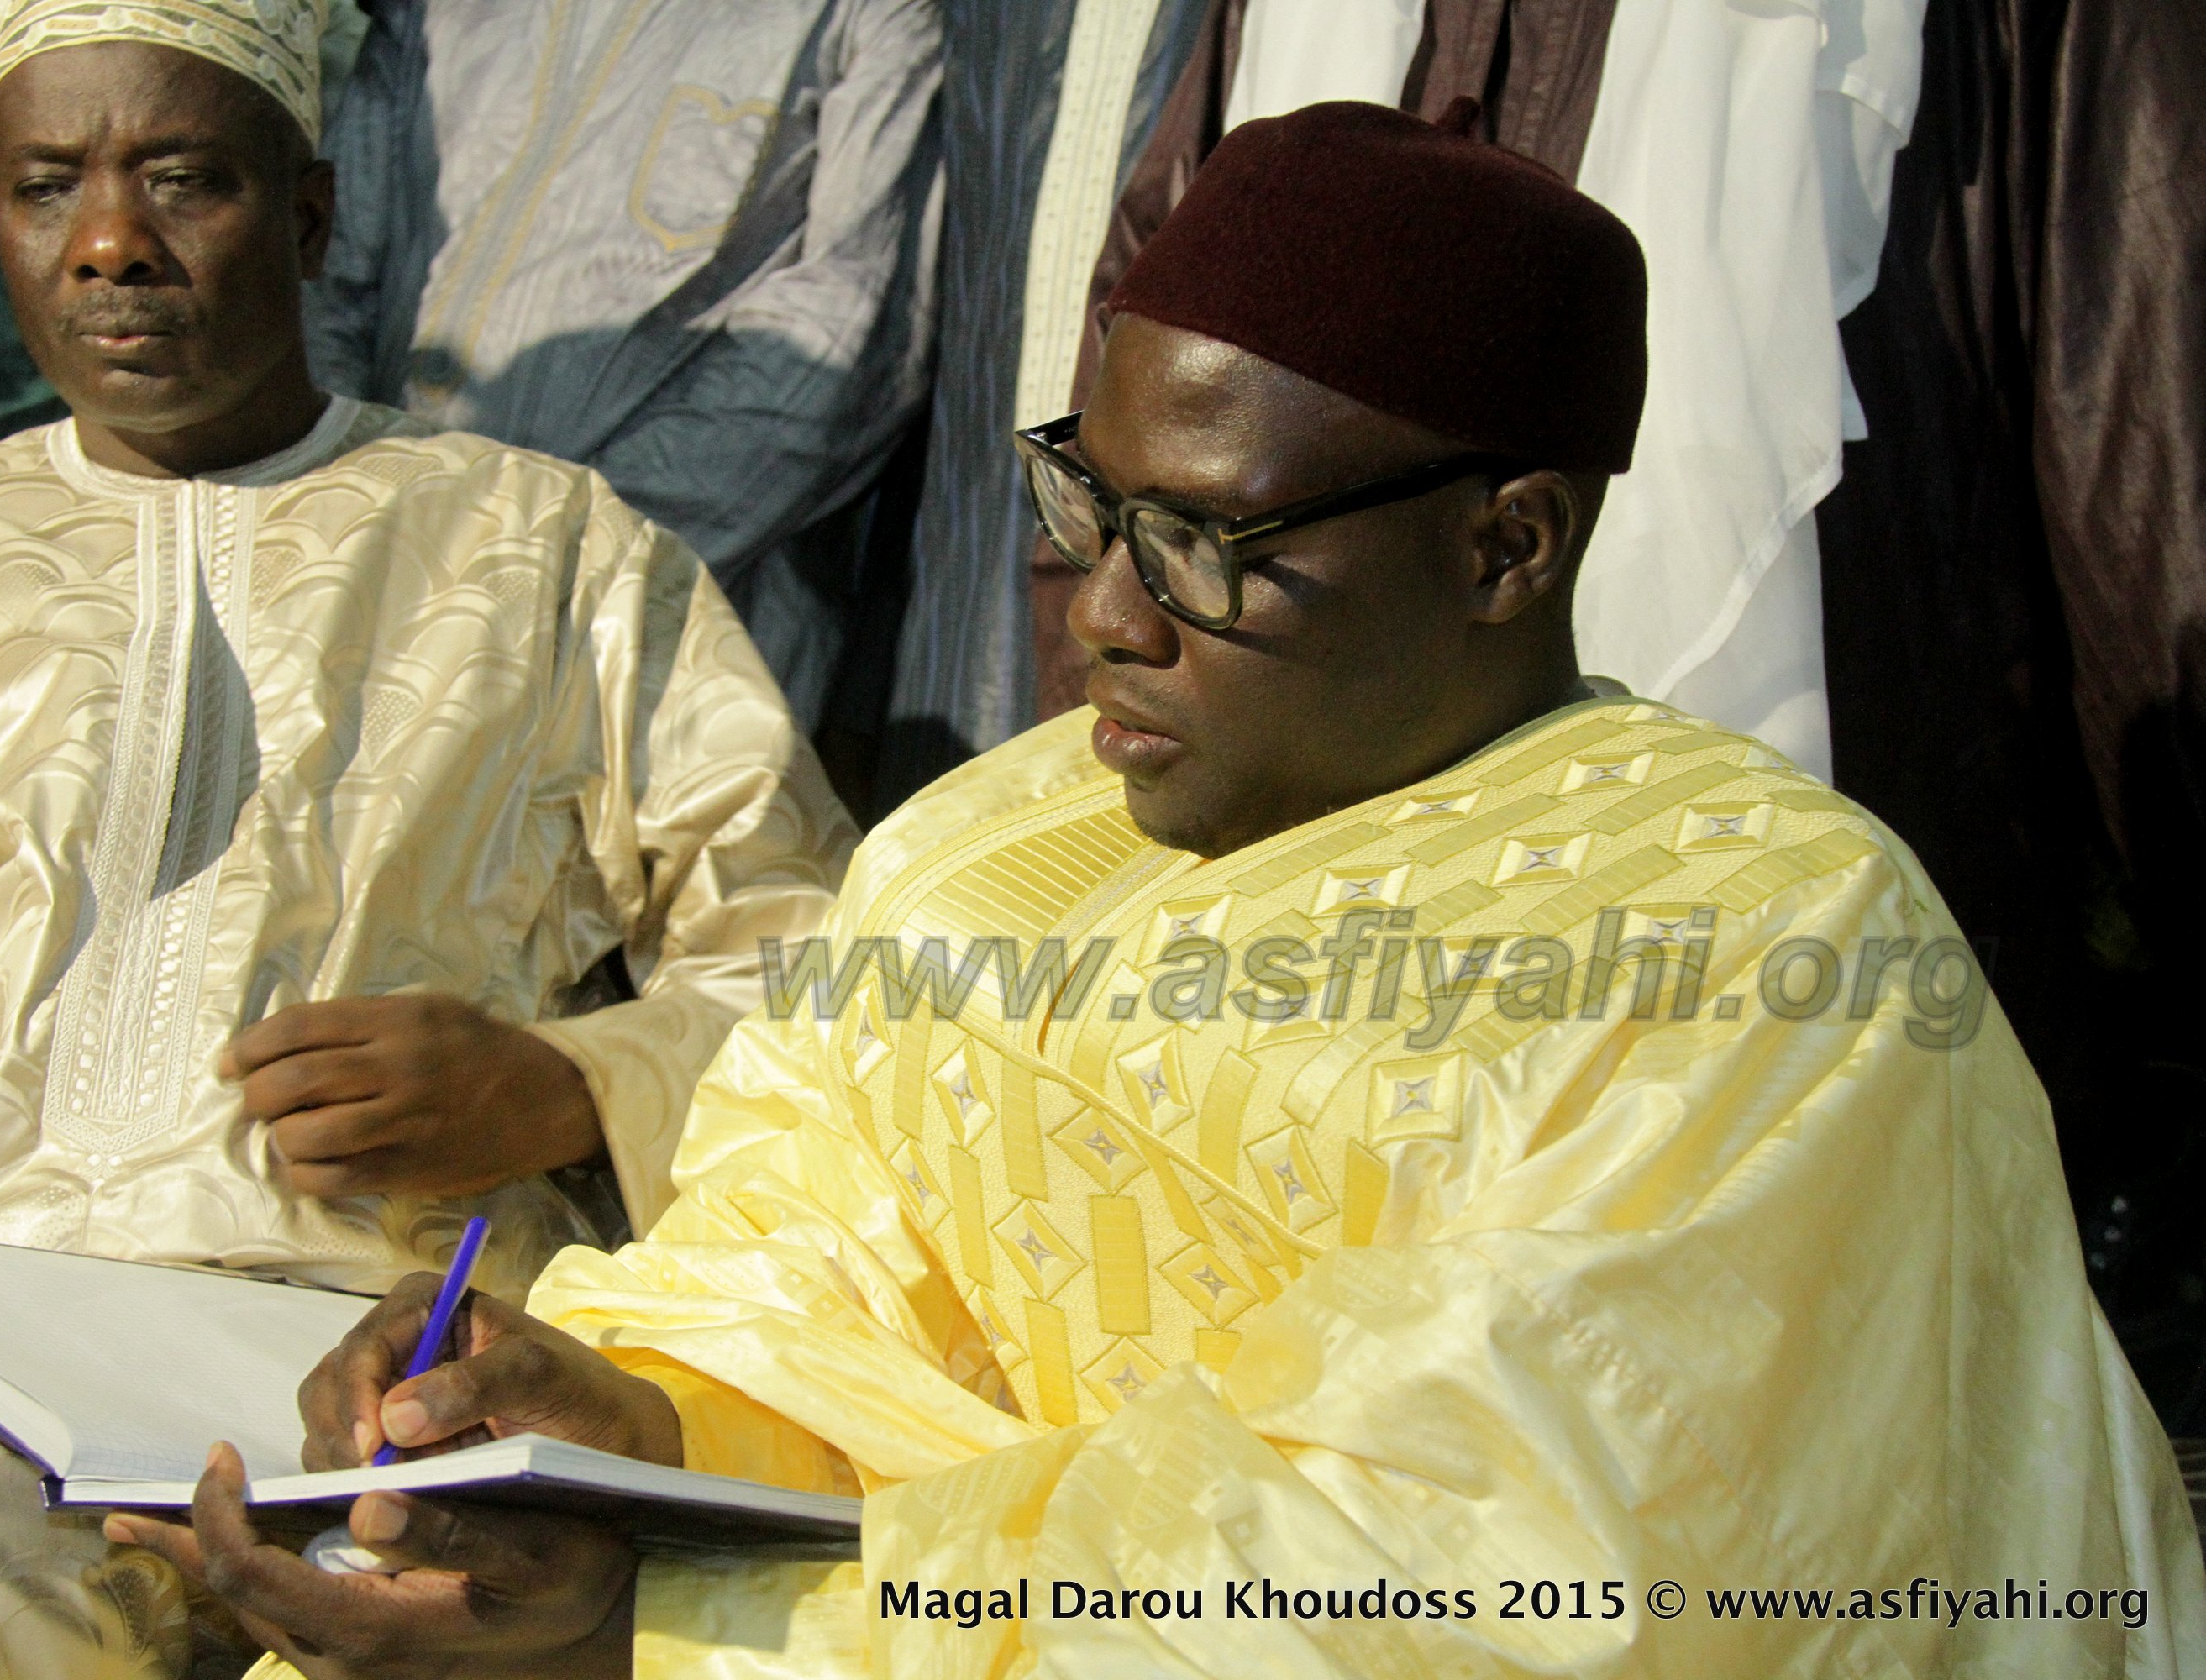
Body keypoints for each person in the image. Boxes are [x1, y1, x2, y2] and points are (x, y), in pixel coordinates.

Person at [124, 103, 2205, 1677]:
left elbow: (1479, 1579)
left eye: (1206, 543)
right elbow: (793, 1281)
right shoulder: (986, 838)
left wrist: (681, 1631)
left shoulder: (1760, 941)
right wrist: (597, 1426)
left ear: (1507, 547)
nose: (1099, 616)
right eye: (1086, 504)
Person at [0, 0, 854, 1670]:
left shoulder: (547, 553)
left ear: (308, 215)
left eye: (183, 180)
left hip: (351, 1361)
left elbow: (826, 969)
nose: (107, 247)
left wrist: (564, 1084)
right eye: (40, 189)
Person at [304, 0, 943, 733]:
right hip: (378, 598)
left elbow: (848, 343)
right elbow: (327, 279)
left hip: (656, 651)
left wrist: (540, 569)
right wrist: (355, 518)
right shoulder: (434, 14)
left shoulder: (866, 15)